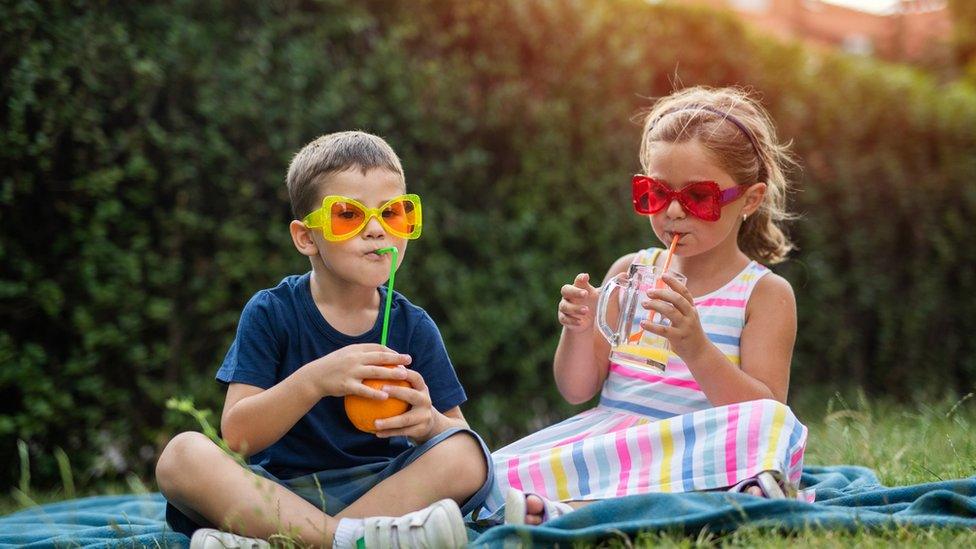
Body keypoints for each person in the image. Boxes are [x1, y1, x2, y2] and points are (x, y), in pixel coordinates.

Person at [479, 86, 808, 525]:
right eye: (655, 193)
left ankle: (574, 510)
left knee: (773, 424)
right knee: (491, 473)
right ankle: (712, 502)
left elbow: (763, 411)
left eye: (698, 198)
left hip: (703, 448)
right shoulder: (630, 271)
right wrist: (578, 330)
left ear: (749, 199)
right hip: (618, 445)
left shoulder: (764, 294)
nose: (673, 210)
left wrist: (695, 347)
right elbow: (577, 390)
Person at [156, 131, 491, 548]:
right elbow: (238, 436)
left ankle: (292, 542)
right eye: (349, 215)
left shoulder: (413, 325)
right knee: (181, 455)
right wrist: (315, 380)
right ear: (305, 237)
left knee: (468, 453)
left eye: (394, 213)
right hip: (281, 492)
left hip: (382, 494)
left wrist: (430, 423)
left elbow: (457, 433)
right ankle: (340, 540)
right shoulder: (271, 312)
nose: (376, 230)